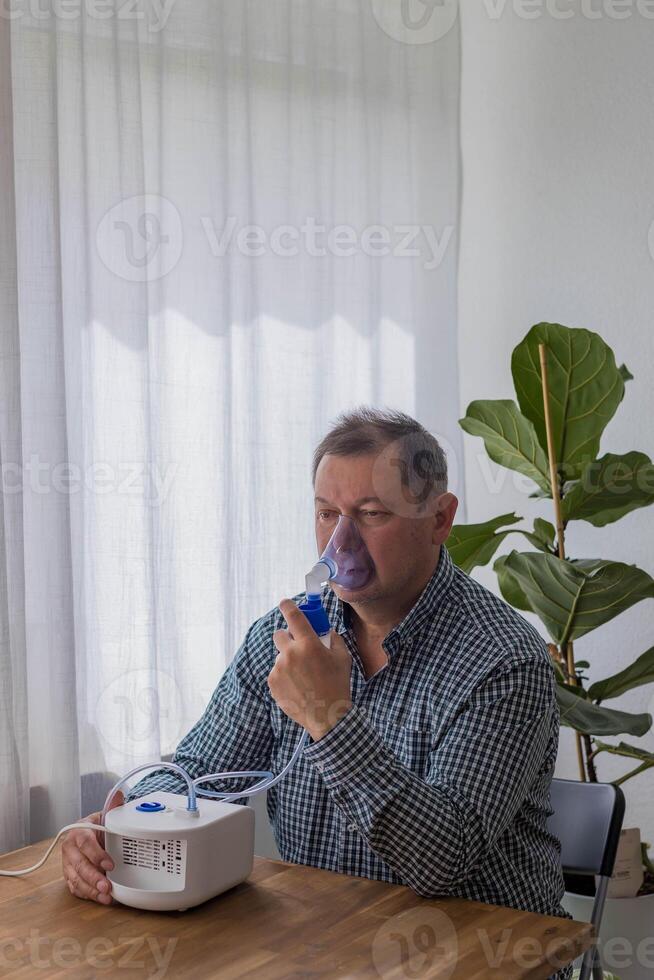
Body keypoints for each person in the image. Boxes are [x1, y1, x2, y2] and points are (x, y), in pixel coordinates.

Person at [62, 406, 570, 978]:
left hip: (478, 955)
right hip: (326, 948)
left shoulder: (503, 661)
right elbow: (200, 774)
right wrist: (119, 822)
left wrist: (329, 718)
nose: (340, 543)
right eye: (327, 514)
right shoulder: (279, 640)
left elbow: (442, 861)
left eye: (370, 514)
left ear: (440, 519)